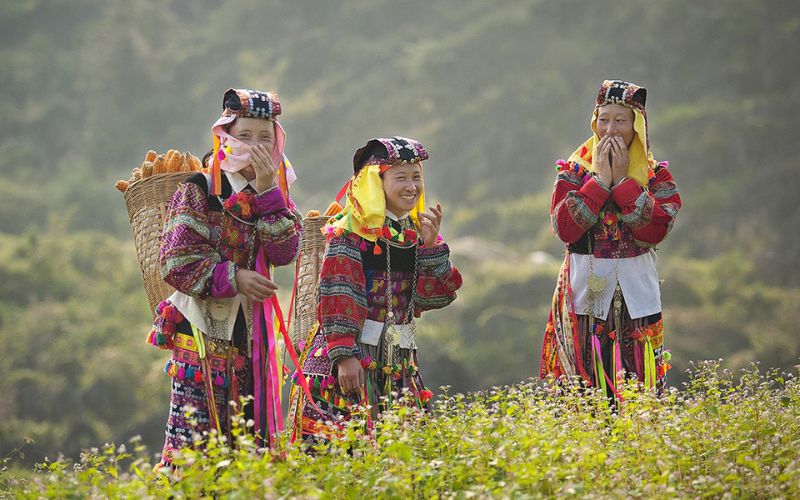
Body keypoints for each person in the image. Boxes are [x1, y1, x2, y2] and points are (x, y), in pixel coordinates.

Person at [147, 88, 302, 466]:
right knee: (196, 443)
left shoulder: (277, 194)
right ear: (225, 137)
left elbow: (285, 253)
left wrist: (267, 192)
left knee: (248, 441)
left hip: (253, 333)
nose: (256, 146)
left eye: (265, 137)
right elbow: (176, 262)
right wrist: (235, 278)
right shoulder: (200, 189)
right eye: (244, 135)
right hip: (202, 328)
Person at [290, 136, 462, 441]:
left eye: (416, 177)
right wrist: (345, 355)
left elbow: (435, 297)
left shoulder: (413, 232)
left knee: (404, 446)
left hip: (398, 357)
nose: (411, 186)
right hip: (354, 356)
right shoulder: (350, 232)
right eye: (401, 178)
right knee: (345, 444)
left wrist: (430, 247)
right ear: (375, 182)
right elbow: (337, 293)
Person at [540, 80, 682, 398]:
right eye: (603, 120)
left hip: (637, 298)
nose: (610, 130)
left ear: (637, 126)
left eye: (621, 120)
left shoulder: (656, 177)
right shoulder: (573, 174)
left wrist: (623, 183)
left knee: (639, 387)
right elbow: (565, 228)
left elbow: (656, 230)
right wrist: (601, 181)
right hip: (584, 298)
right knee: (585, 387)